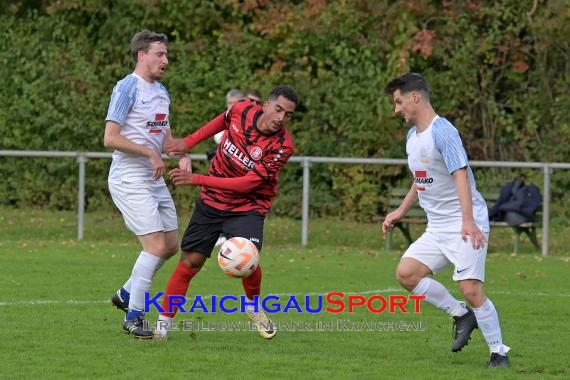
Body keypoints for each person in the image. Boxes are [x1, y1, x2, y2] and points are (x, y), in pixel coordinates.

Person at [382, 72, 510, 368]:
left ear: (414, 97)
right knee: (407, 273)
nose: (396, 109)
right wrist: (401, 210)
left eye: (399, 102)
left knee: (470, 288)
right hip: (438, 226)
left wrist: (467, 220)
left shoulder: (444, 132)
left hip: (465, 220)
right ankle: (461, 315)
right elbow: (421, 176)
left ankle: (499, 353)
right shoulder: (412, 136)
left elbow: (460, 174)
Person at [156, 85, 298, 340]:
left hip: (248, 205)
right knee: (190, 262)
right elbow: (220, 121)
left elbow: (247, 184)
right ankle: (162, 327)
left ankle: (253, 306)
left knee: (248, 260)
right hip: (212, 200)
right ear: (266, 105)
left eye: (288, 115)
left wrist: (197, 178)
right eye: (278, 109)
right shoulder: (241, 109)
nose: (281, 118)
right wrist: (187, 142)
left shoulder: (282, 146)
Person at [104, 30, 189, 338]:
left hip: (152, 177)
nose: (165, 60)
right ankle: (134, 317)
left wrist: (182, 154)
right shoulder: (128, 87)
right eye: (159, 54)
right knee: (153, 245)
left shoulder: (162, 91)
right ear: (142, 55)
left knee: (169, 246)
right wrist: (149, 153)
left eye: (166, 55)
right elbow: (110, 138)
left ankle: (126, 294)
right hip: (129, 177)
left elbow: (165, 139)